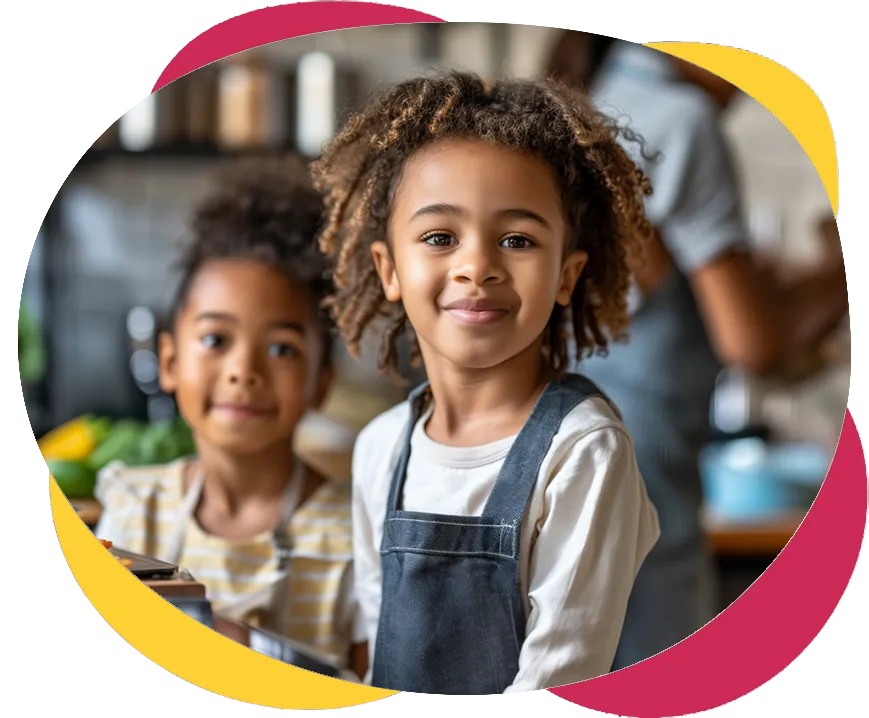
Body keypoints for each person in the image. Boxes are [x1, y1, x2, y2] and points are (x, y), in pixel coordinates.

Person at [310, 70, 662, 696]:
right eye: (440, 237)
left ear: (566, 274)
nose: (477, 266)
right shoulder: (380, 448)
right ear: (389, 269)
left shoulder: (582, 452)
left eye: (518, 240)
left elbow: (559, 683)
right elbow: (375, 665)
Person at [544, 34, 849, 672]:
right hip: (644, 477)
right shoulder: (683, 119)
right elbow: (755, 342)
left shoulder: (603, 102)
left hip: (568, 454)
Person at [93, 156, 367, 678]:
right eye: (216, 339)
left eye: (283, 349)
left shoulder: (352, 532)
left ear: (321, 384)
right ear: (170, 361)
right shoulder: (134, 508)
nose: (244, 371)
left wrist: (252, 650)